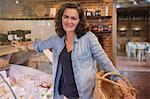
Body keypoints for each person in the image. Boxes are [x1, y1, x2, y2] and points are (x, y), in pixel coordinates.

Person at [12, 2, 135, 99]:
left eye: (73, 18)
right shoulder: (57, 38)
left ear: (79, 21)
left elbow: (106, 63)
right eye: (66, 17)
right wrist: (22, 45)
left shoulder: (89, 38)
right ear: (61, 18)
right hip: (63, 93)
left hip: (85, 94)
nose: (69, 21)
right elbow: (39, 45)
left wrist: (123, 87)